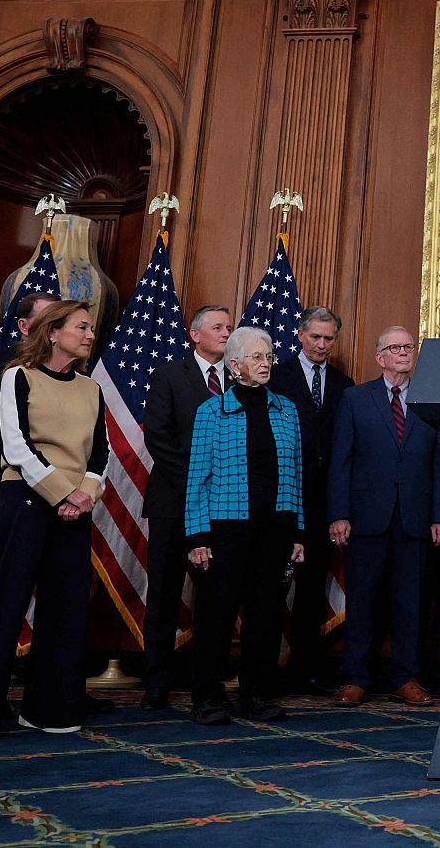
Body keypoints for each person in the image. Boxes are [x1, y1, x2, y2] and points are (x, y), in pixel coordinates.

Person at [0, 301, 108, 740]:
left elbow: (100, 452)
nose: (90, 334)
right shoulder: (17, 376)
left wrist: (84, 495)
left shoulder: (91, 389)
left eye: (91, 327)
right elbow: (14, 445)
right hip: (26, 499)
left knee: (65, 608)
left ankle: (49, 711)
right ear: (53, 333)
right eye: (81, 326)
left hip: (76, 506)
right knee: (4, 604)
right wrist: (63, 493)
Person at [183, 327, 306, 725]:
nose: (266, 363)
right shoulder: (211, 413)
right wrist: (198, 536)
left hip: (276, 529)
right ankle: (208, 696)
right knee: (216, 615)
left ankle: (256, 694)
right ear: (234, 365)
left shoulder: (287, 409)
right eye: (256, 357)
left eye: (268, 356)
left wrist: (298, 532)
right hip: (226, 530)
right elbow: (197, 479)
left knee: (266, 616)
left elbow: (296, 475)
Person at [327, 326, 440, 708]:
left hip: (415, 519)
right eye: (394, 347)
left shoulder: (432, 399)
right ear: (380, 357)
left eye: (408, 347)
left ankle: (404, 677)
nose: (403, 353)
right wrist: (339, 513)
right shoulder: (354, 398)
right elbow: (341, 461)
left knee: (408, 603)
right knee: (363, 600)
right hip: (365, 518)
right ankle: (355, 678)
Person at [139, 305, 233, 710]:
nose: (226, 334)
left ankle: (206, 679)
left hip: (224, 508)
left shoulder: (239, 379)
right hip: (172, 502)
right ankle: (157, 681)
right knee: (163, 593)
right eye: (217, 327)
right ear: (194, 335)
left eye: (229, 328)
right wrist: (198, 483)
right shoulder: (169, 375)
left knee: (217, 595)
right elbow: (158, 438)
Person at [267, 306, 354, 696]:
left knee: (311, 589)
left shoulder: (344, 384)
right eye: (315, 337)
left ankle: (304, 667)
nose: (321, 345)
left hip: (322, 504)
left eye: (328, 339)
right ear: (300, 335)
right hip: (281, 499)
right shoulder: (276, 376)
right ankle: (264, 668)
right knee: (269, 586)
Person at [0, 291, 57, 615]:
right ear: (24, 325)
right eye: (47, 319)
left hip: (52, 498)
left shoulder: (72, 375)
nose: (54, 327)